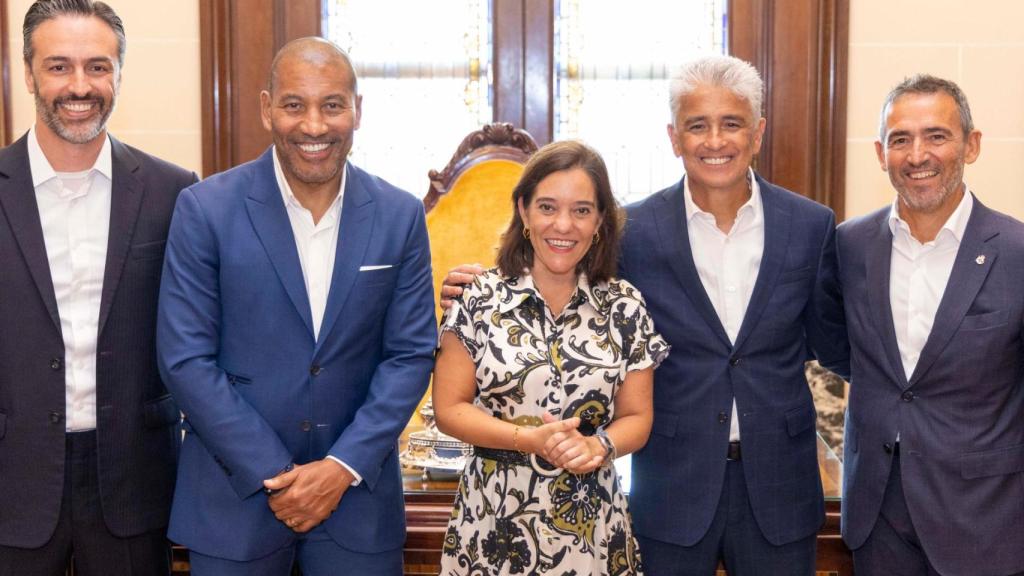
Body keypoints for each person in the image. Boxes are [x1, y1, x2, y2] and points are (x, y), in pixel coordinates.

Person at [442, 55, 849, 576]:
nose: (715, 140)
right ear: (674, 137)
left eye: (732, 124)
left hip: (780, 485)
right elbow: (561, 266)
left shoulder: (811, 226)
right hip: (672, 486)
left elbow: (829, 341)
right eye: (697, 126)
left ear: (759, 132)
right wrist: (472, 282)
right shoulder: (635, 230)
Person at [156, 38, 436, 575]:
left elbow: (410, 355)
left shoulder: (400, 215)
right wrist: (278, 474)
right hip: (234, 503)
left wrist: (339, 469)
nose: (314, 125)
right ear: (267, 109)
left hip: (358, 503)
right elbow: (184, 359)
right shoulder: (204, 209)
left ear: (357, 110)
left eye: (332, 104)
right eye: (294, 105)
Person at [0, 1, 197, 574]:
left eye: (98, 66)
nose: (80, 85)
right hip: (13, 481)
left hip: (134, 483)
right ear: (30, 72)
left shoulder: (173, 191)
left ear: (118, 73)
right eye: (59, 66)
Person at [433, 140, 668, 575]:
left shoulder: (625, 306)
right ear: (523, 211)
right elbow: (448, 409)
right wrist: (527, 440)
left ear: (600, 220)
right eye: (547, 207)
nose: (564, 224)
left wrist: (600, 445)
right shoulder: (479, 298)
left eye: (581, 210)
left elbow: (638, 417)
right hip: (493, 521)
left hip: (592, 522)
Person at [837, 74, 1024, 576]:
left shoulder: (1017, 251)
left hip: (985, 516)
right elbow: (840, 348)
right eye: (901, 139)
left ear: (972, 144)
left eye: (936, 135)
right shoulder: (849, 246)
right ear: (881, 152)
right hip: (878, 517)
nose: (917, 154)